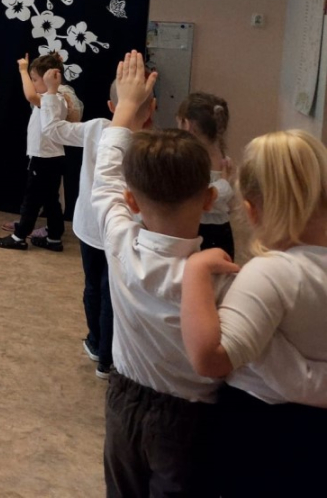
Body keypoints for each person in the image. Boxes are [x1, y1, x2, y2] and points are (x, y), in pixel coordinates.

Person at [92, 51, 226, 496]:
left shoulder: (120, 243)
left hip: (123, 403)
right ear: (209, 199)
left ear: (132, 201)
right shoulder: (222, 281)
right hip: (190, 422)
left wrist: (127, 108)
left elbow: (106, 179)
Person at [180, 129, 327, 496]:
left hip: (261, 433)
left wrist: (195, 271)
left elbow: (210, 359)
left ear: (252, 210)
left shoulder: (271, 273)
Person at [40, 70, 155, 378]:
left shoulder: (98, 128)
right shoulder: (154, 146)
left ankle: (97, 344)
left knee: (94, 287)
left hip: (92, 229)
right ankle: (106, 356)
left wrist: (51, 91)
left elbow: (52, 130)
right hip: (126, 234)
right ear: (153, 109)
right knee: (113, 293)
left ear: (111, 106)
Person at [0, 52, 76, 251]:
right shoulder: (56, 99)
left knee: (32, 199)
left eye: (35, 79)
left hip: (43, 157)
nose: (32, 83)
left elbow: (30, 95)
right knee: (51, 200)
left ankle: (19, 236)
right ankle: (54, 238)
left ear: (48, 79)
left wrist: (23, 70)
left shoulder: (51, 99)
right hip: (52, 158)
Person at [176, 92, 237, 257]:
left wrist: (223, 187)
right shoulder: (225, 160)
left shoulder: (188, 161)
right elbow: (229, 205)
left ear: (186, 124)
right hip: (222, 232)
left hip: (195, 231)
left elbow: (197, 199)